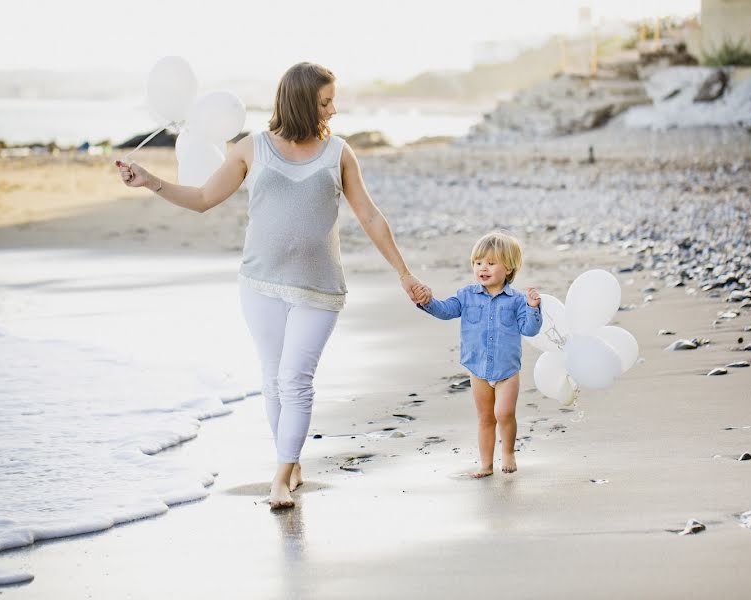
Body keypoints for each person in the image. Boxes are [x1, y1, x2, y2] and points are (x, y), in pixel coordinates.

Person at [116, 62, 430, 510]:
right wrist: (151, 181)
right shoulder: (251, 149)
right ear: (302, 102)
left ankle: (281, 477)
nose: (334, 110)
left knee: (295, 380)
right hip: (260, 284)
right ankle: (291, 460)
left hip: (318, 288)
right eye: (325, 102)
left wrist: (404, 272)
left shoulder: (338, 152)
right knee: (273, 380)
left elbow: (370, 215)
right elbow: (204, 199)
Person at [415, 232, 541, 478]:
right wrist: (428, 302)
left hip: (507, 370)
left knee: (504, 413)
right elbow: (445, 310)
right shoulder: (466, 295)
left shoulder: (517, 300)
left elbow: (530, 329)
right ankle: (485, 464)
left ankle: (508, 452)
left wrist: (533, 308)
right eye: (478, 262)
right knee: (485, 418)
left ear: (509, 268)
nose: (483, 268)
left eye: (491, 263)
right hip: (478, 368)